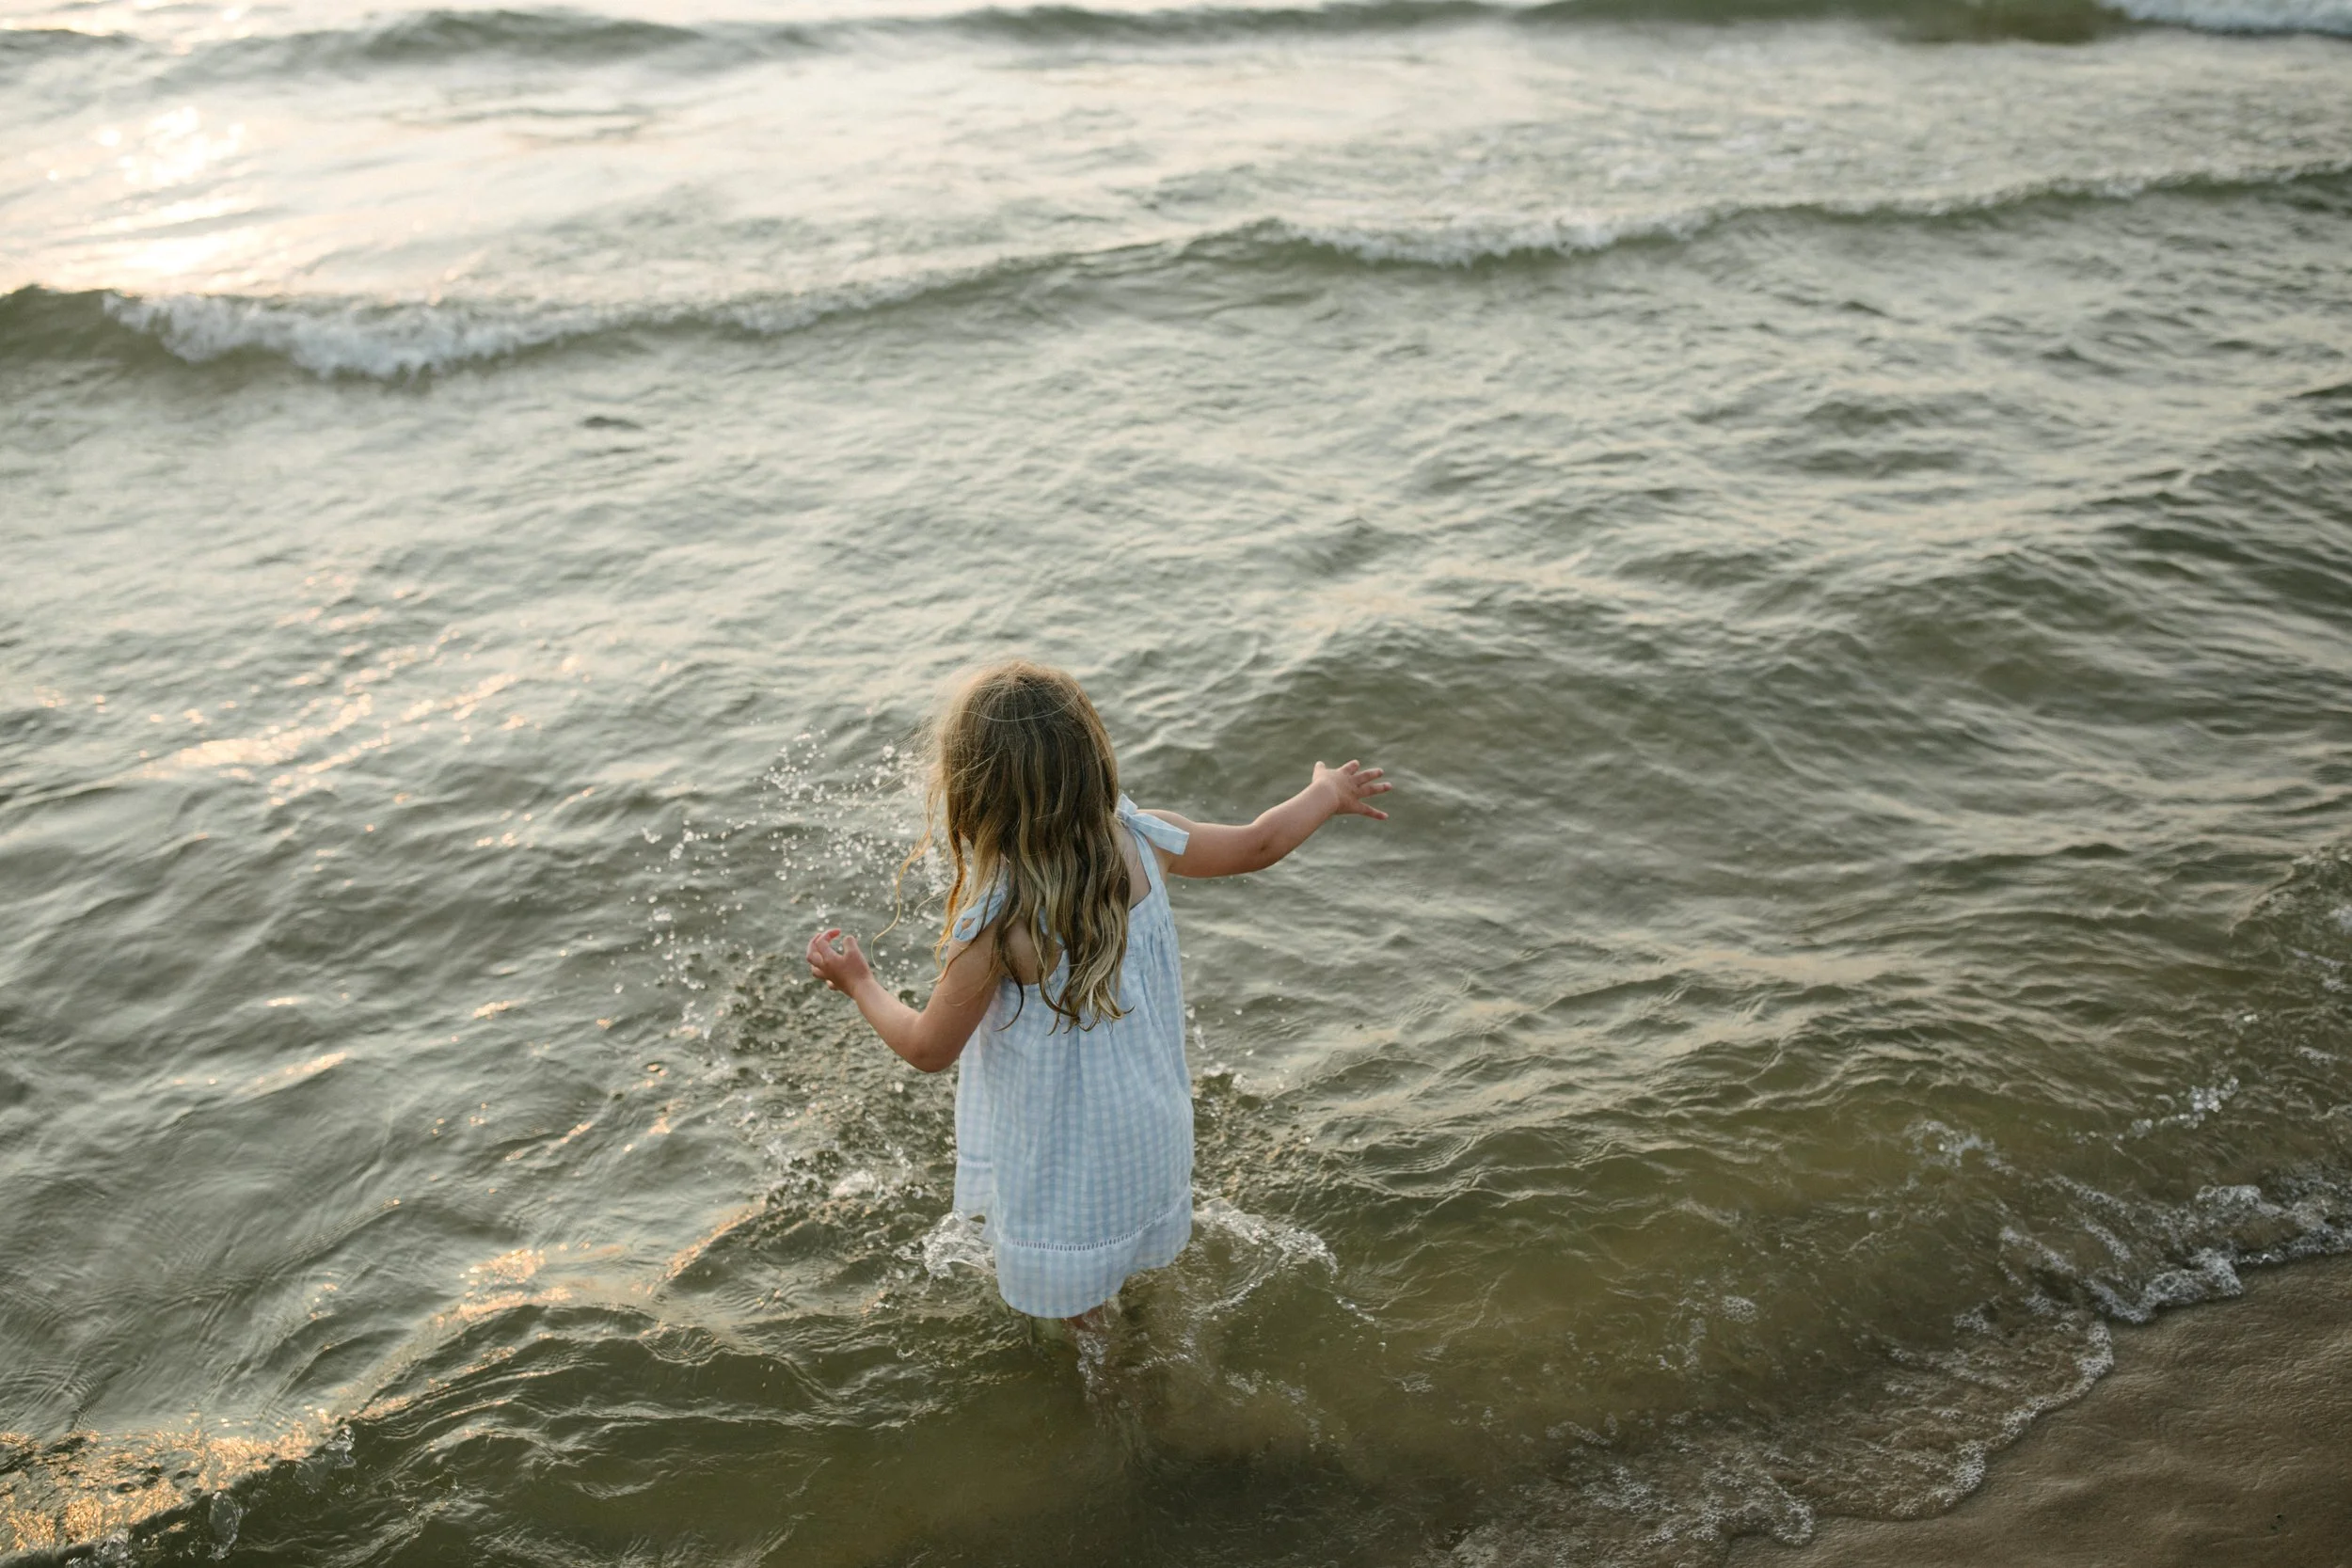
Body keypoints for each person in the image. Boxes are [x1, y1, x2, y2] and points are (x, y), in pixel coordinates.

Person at [804, 659, 1391, 1323]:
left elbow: (926, 1047)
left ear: (973, 791)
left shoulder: (997, 922)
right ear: (1092, 758)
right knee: (1146, 1292)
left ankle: (1116, 1398)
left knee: (1086, 1327)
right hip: (1150, 1142)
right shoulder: (1146, 840)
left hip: (1072, 1174)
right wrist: (1326, 792)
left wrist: (859, 982)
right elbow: (1259, 843)